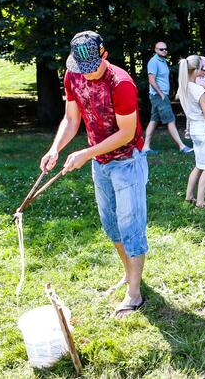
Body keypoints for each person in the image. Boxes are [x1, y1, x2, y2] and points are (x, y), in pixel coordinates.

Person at [40, 31, 149, 318]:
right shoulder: (73, 74)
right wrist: (56, 149)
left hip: (127, 161)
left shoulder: (121, 83)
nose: (87, 75)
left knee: (131, 226)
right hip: (100, 163)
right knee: (111, 224)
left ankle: (135, 295)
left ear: (104, 54)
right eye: (82, 69)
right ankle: (129, 275)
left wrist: (85, 153)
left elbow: (126, 134)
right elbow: (71, 118)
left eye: (93, 69)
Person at [176, 55, 205, 208]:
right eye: (201, 68)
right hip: (203, 129)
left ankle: (189, 196)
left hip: (194, 129)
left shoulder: (183, 88)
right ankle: (200, 202)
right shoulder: (198, 90)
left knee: (200, 164)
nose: (203, 71)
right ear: (195, 70)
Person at [142, 41, 192, 154]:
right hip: (158, 96)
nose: (164, 51)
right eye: (161, 49)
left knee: (153, 121)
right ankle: (182, 146)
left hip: (159, 96)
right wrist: (161, 94)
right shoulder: (153, 62)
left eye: (165, 49)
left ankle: (145, 147)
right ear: (155, 50)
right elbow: (151, 80)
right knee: (170, 120)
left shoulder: (163, 61)